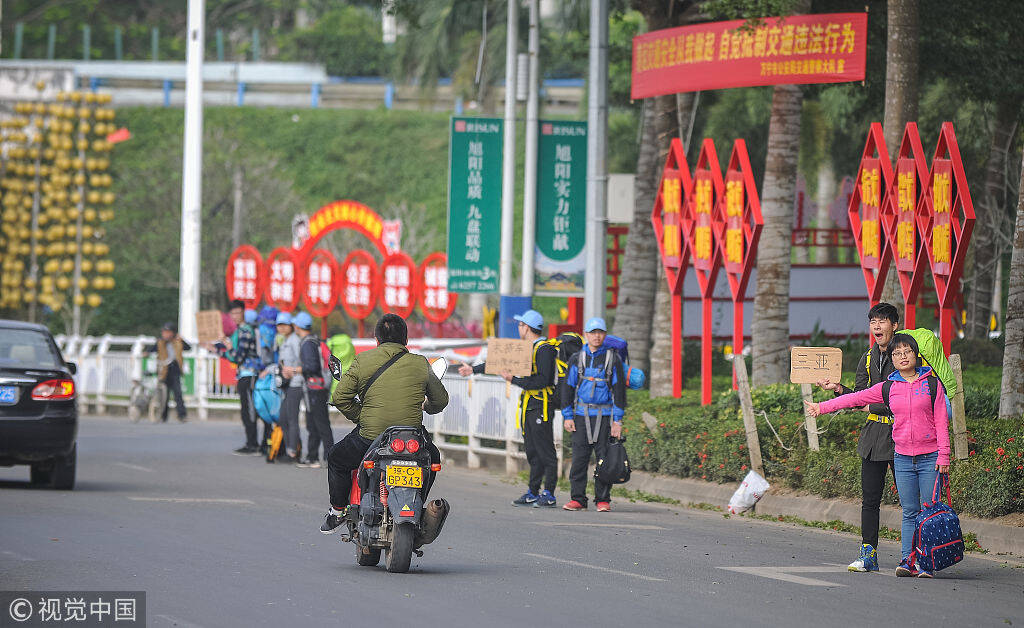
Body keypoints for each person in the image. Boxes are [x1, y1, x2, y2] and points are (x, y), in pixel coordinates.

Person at [814, 302, 957, 573]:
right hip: (874, 437)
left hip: (904, 437)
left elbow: (915, 398)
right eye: (873, 322)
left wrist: (874, 405)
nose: (877, 327)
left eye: (882, 321)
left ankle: (922, 557)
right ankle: (869, 554)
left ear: (895, 325)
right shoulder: (867, 358)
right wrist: (836, 389)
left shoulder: (911, 357)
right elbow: (859, 396)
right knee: (870, 499)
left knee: (915, 505)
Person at [320, 313, 448, 534]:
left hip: (370, 437)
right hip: (412, 438)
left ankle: (337, 510)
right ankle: (419, 504)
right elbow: (441, 400)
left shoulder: (363, 360)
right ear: (406, 340)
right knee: (432, 459)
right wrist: (427, 407)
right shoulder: (420, 363)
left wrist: (361, 416)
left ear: (376, 339)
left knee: (336, 458)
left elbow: (340, 398)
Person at [458, 309, 559, 507]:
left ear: (527, 327)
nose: (519, 328)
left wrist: (514, 380)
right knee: (532, 450)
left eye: (521, 325)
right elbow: (498, 363)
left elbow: (543, 380)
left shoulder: (544, 349)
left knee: (545, 451)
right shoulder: (525, 348)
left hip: (542, 406)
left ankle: (549, 492)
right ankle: (533, 491)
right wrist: (473, 370)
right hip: (529, 405)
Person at [560, 317, 626, 512]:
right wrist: (567, 415)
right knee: (579, 459)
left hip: (605, 417)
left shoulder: (612, 359)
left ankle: (603, 499)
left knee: (604, 460)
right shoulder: (576, 358)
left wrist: (617, 421)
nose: (597, 336)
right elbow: (567, 388)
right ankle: (578, 499)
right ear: (586, 335)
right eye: (593, 332)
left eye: (600, 332)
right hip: (580, 416)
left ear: (604, 335)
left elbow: (619, 391)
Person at [219, 301, 263, 455]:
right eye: (233, 313)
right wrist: (219, 349)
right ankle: (251, 443)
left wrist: (228, 348)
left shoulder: (245, 331)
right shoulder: (238, 331)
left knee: (250, 411)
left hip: (250, 374)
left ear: (243, 312)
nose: (235, 316)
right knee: (246, 411)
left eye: (238, 313)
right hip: (243, 375)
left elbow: (237, 357)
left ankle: (254, 445)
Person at [293, 312, 333, 469]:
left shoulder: (307, 343)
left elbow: (312, 366)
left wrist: (296, 369)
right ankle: (313, 456)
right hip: (319, 387)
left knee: (320, 424)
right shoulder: (315, 340)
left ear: (299, 326)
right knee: (315, 423)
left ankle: (327, 457)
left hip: (314, 387)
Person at [275, 311, 303, 464]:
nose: (282, 327)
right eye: (279, 325)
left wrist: (291, 370)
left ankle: (293, 452)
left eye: (285, 324)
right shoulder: (284, 340)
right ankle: (291, 449)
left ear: (291, 326)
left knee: (291, 419)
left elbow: (303, 361)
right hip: (288, 384)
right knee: (283, 418)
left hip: (296, 383)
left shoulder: (293, 340)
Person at [149, 322, 190, 422]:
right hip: (163, 370)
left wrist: (182, 340)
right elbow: (151, 350)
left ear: (173, 333)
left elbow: (188, 348)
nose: (166, 334)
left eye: (168, 332)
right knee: (164, 395)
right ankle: (163, 416)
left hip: (174, 369)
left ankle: (182, 415)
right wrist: (145, 352)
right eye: (164, 332)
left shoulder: (177, 342)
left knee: (178, 394)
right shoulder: (160, 342)